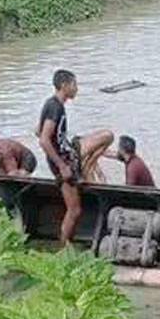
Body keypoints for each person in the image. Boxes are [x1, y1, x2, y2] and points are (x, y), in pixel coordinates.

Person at [37, 69, 114, 243]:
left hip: (69, 152)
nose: (76, 88)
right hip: (64, 162)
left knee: (107, 135)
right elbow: (43, 140)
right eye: (74, 84)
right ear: (64, 85)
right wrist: (62, 166)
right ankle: (64, 247)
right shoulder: (54, 107)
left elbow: (38, 130)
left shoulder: (54, 104)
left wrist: (61, 142)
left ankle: (86, 167)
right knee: (75, 210)